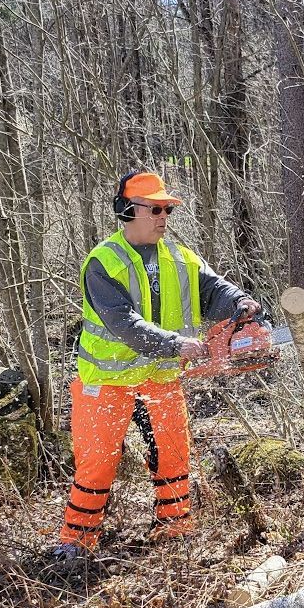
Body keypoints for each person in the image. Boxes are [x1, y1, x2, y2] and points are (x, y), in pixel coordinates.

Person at [54, 171, 260, 559]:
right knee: (97, 464)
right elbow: (124, 324)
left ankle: (175, 530)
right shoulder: (104, 263)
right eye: (156, 209)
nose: (164, 216)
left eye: (167, 209)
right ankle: (76, 543)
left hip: (160, 377)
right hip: (106, 381)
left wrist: (239, 304)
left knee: (174, 454)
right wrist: (176, 343)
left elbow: (213, 288)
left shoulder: (179, 257)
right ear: (128, 210)